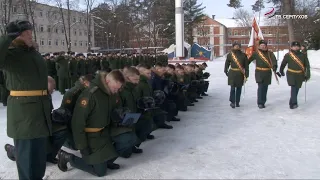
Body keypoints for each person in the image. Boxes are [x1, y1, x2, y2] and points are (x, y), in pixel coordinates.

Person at [0, 20, 52, 180]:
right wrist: (6, 38)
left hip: (40, 107)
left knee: (38, 153)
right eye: (26, 33)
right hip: (24, 111)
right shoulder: (11, 54)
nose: (30, 36)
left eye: (31, 32)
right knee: (27, 155)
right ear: (16, 37)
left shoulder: (31, 52)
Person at [57, 70, 125, 177]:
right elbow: (77, 122)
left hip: (103, 133)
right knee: (100, 172)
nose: (116, 91)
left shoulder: (109, 93)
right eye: (115, 88)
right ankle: (67, 157)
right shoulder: (91, 95)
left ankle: (105, 162)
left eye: (118, 89)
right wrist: (82, 145)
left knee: (126, 140)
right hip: (90, 138)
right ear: (107, 81)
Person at [279, 41, 311, 109]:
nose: (296, 47)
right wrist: (281, 70)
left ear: (299, 47)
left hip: (300, 74)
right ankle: (294, 103)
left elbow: (307, 65)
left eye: (297, 46)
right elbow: (283, 63)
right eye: (294, 46)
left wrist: (307, 74)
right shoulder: (288, 55)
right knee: (293, 87)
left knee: (297, 88)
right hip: (291, 74)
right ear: (291, 47)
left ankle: (292, 101)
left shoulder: (303, 55)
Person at [249, 40, 278, 109]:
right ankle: (260, 103)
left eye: (264, 46)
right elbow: (249, 60)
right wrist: (244, 65)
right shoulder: (256, 53)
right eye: (262, 45)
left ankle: (263, 101)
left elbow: (274, 60)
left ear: (266, 46)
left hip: (267, 73)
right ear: (259, 46)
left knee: (265, 88)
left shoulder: (270, 53)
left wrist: (274, 66)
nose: (263, 47)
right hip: (259, 72)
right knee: (260, 87)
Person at [224, 42, 249, 108]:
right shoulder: (230, 55)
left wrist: (246, 74)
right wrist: (225, 70)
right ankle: (232, 102)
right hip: (232, 73)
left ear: (240, 47)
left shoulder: (243, 55)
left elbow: (246, 66)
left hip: (240, 73)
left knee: (239, 88)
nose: (237, 47)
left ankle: (237, 102)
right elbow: (227, 63)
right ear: (233, 47)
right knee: (232, 88)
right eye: (235, 46)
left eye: (238, 46)